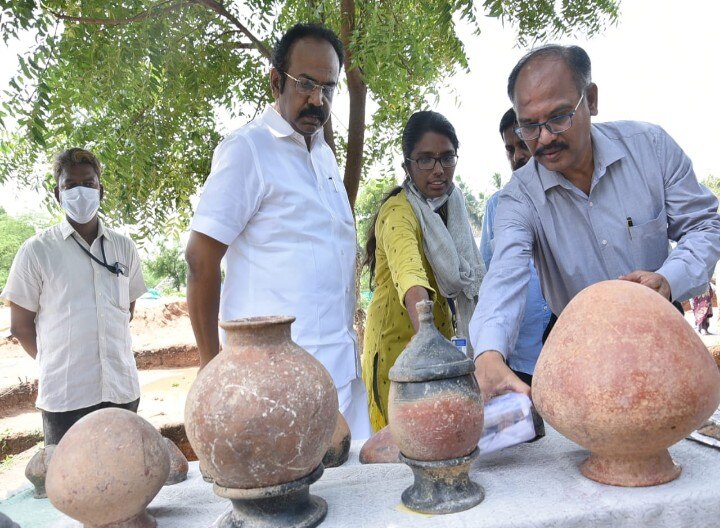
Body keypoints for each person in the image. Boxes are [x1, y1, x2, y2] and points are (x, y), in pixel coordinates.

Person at [470, 44, 720, 399]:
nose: (545, 138)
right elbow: (504, 274)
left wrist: (668, 279)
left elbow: (705, 225)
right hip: (577, 354)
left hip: (662, 332)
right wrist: (489, 353)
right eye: (529, 125)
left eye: (559, 117)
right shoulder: (519, 197)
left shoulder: (651, 148)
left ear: (591, 99)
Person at [185, 23, 371, 438]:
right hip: (273, 389)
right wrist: (210, 369)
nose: (317, 99)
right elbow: (201, 258)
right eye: (305, 83)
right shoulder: (247, 150)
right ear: (275, 81)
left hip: (341, 371)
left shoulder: (322, 155)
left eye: (328, 87)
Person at [0, 148, 146, 445]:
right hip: (66, 398)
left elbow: (126, 311)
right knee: (69, 488)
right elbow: (20, 325)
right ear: (58, 193)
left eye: (89, 184)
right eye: (70, 185)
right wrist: (56, 363)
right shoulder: (36, 251)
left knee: (124, 485)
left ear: (100, 190)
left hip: (122, 392)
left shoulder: (124, 248)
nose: (81, 192)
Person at [362, 111, 485, 431]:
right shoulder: (397, 211)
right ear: (407, 166)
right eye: (426, 160)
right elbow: (410, 273)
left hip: (438, 340)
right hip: (399, 349)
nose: (438, 170)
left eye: (447, 158)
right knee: (403, 440)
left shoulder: (452, 205)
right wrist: (427, 347)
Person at [479, 108, 551, 385]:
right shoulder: (497, 206)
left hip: (570, 349)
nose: (517, 156)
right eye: (510, 149)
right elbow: (492, 276)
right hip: (521, 355)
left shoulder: (569, 200)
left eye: (523, 145)